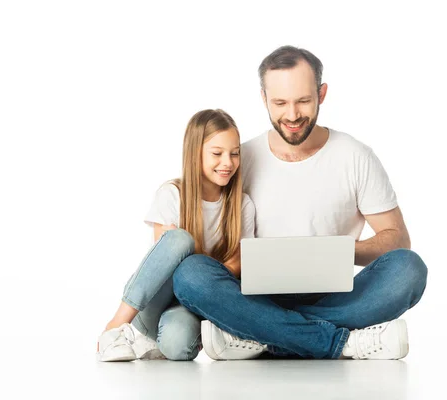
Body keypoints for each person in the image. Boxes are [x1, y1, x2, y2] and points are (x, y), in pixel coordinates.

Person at [171, 46, 428, 361]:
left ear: (322, 94)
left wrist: (341, 249)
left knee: (409, 270)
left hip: (334, 295)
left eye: (304, 101)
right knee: (189, 274)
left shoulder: (355, 156)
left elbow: (398, 239)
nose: (292, 115)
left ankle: (255, 334)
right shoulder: (239, 159)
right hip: (252, 296)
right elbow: (208, 228)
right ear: (263, 98)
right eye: (280, 102)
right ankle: (339, 341)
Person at [96, 109, 255, 362]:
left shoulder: (242, 204)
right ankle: (114, 329)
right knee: (180, 240)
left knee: (178, 347)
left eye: (234, 153)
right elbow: (166, 255)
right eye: (217, 153)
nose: (228, 162)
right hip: (156, 300)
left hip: (192, 304)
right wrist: (202, 270)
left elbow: (239, 261)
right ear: (195, 153)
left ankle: (156, 342)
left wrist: (203, 281)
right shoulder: (172, 194)